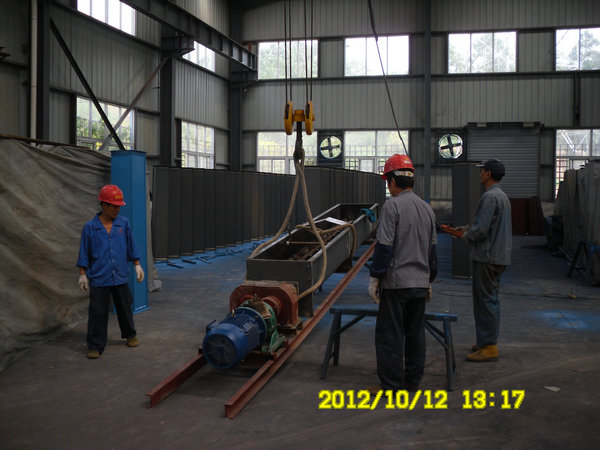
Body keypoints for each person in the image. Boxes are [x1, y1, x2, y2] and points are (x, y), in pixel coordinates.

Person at [368, 154, 438, 392]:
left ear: (392, 180)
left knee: (390, 335)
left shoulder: (392, 206)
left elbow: (384, 247)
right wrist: (429, 279)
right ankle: (412, 381)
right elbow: (432, 251)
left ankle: (391, 385)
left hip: (396, 284)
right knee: (415, 334)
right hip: (420, 284)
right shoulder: (427, 209)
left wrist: (376, 277)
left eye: (387, 181)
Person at [77, 185, 144, 359]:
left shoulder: (123, 223)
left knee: (124, 307)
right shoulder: (90, 227)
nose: (117, 209)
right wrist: (82, 274)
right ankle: (95, 345)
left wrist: (137, 264)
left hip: (119, 274)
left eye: (119, 206)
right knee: (97, 312)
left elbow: (131, 244)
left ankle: (130, 334)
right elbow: (84, 252)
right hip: (99, 276)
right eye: (114, 206)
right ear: (104, 205)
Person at [456, 159, 512, 362]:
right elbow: (489, 225)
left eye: (482, 172)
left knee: (485, 300)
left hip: (487, 257)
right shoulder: (502, 196)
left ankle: (489, 346)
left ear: (488, 174)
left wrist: (466, 235)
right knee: (490, 299)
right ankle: (485, 341)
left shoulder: (489, 197)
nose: (480, 174)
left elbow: (481, 230)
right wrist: (467, 228)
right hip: (498, 255)